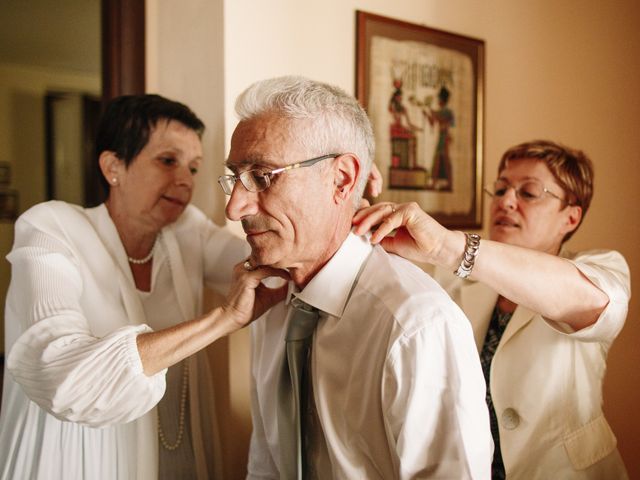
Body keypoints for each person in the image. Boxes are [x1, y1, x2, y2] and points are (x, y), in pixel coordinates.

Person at [0, 94, 289, 480]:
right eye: (167, 160)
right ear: (113, 166)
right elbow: (60, 374)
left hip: (178, 460)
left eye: (194, 166)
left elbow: (279, 267)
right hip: (74, 463)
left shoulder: (187, 232)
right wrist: (222, 320)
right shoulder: (51, 228)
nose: (185, 179)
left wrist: (343, 207)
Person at [219, 75, 492, 478]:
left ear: (342, 179)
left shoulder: (416, 326)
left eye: (262, 176)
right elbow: (267, 463)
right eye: (234, 178)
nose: (235, 208)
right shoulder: (272, 300)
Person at [353, 139, 630, 479]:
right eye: (500, 189)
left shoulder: (601, 269)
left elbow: (586, 300)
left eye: (528, 192)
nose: (506, 201)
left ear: (570, 218)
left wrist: (444, 244)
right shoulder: (446, 277)